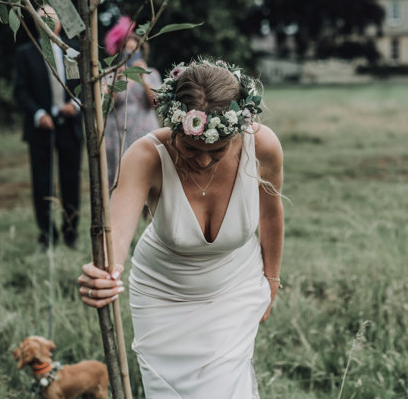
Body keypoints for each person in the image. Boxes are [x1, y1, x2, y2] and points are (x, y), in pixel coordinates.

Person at [77, 59, 285, 398]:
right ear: (173, 125)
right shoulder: (146, 156)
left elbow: (272, 215)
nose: (203, 161)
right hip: (163, 294)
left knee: (225, 386)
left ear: (239, 130)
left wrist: (272, 279)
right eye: (190, 147)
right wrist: (105, 272)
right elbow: (117, 229)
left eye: (217, 150)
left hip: (234, 286)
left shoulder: (263, 147)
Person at [14, 6, 83, 248]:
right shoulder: (25, 53)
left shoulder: (71, 51)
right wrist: (38, 113)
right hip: (40, 127)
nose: (45, 23)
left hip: (69, 125)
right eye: (40, 19)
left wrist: (75, 105)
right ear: (35, 24)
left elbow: (80, 87)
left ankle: (70, 233)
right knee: (42, 182)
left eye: (50, 19)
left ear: (60, 23)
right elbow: (20, 91)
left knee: (70, 182)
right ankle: (47, 235)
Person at [103, 17, 162, 186]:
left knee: (148, 177)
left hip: (144, 132)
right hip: (117, 135)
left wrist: (143, 77)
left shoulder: (151, 73)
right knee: (119, 179)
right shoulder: (108, 74)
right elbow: (105, 106)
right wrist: (117, 79)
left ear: (141, 52)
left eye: (133, 52)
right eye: (125, 52)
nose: (129, 56)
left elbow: (155, 103)